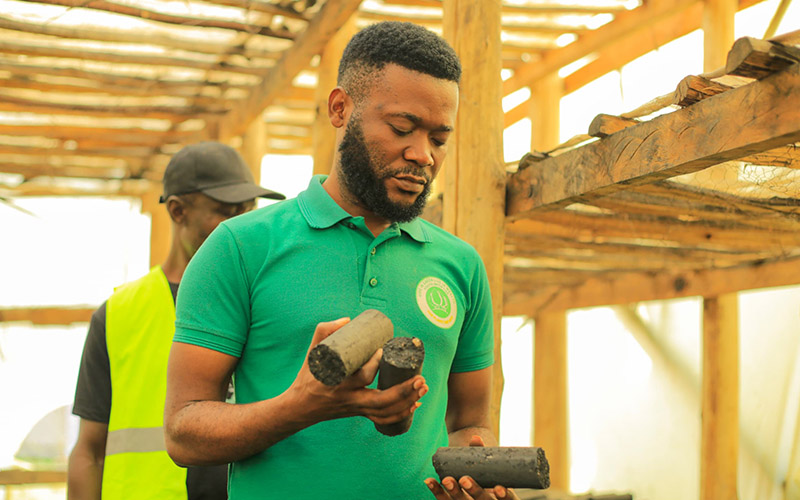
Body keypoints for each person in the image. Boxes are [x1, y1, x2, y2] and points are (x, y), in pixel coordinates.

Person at [164, 22, 514, 500]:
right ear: (340, 108)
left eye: (439, 138)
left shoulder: (462, 265)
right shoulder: (240, 247)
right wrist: (300, 406)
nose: (422, 155)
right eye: (402, 129)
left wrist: (474, 476)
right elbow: (183, 431)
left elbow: (470, 424)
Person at [67, 141, 285, 500]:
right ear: (178, 210)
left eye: (247, 210)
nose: (240, 224)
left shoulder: (272, 303)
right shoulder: (119, 314)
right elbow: (89, 451)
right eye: (225, 211)